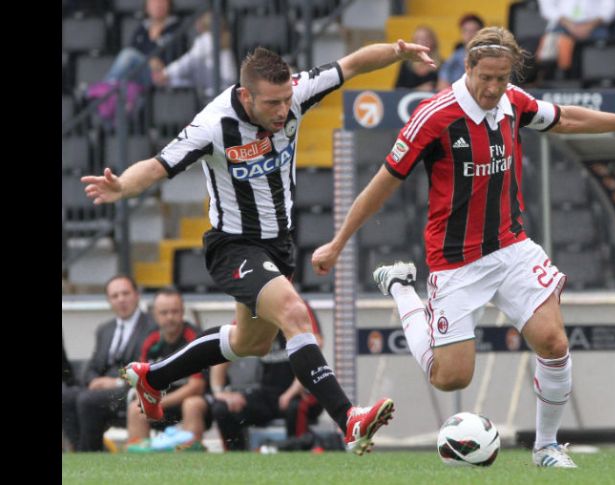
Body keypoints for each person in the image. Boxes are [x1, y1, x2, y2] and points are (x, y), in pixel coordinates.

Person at [311, 26, 615, 468]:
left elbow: (565, 118)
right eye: (486, 77)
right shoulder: (434, 117)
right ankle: (400, 286)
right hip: (456, 262)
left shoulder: (514, 100)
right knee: (450, 378)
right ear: (468, 68)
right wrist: (338, 243)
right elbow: (382, 184)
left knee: (552, 341)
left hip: (512, 247)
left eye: (502, 78)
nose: (493, 88)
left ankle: (546, 447)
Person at [81, 40, 437, 456]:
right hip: (233, 246)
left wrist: (398, 53)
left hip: (278, 246)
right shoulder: (213, 124)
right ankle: (349, 419)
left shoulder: (296, 92)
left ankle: (153, 378)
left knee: (248, 343)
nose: (283, 111)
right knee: (294, 314)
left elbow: (352, 64)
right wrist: (122, 185)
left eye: (287, 100)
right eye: (272, 103)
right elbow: (160, 164)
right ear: (246, 95)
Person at [207, 301, 325, 451]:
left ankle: (298, 455)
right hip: (268, 393)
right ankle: (236, 462)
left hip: (302, 390)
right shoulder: (254, 309)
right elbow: (226, 347)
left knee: (295, 407)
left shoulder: (296, 305)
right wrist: (219, 392)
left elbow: (315, 348)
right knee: (222, 409)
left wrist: (291, 392)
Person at [61, 275, 156, 451]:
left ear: (136, 295)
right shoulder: (105, 329)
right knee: (66, 397)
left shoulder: (151, 326)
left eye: (125, 293)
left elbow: (146, 366)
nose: (121, 300)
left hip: (130, 389)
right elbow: (93, 366)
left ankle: (89, 456)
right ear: (109, 301)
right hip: (101, 390)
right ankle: (84, 450)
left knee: (86, 400)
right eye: (115, 296)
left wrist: (116, 382)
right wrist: (93, 382)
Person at [125, 287, 210, 452]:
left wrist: (158, 403)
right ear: (155, 315)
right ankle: (139, 464)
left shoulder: (194, 338)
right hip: (159, 400)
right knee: (135, 408)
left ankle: (190, 460)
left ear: (183, 311)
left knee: (192, 405)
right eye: (164, 313)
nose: (170, 317)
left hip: (194, 400)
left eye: (175, 311)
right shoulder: (149, 340)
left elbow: (196, 387)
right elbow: (141, 382)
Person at [150, 11, 238, 101]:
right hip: (224, 87)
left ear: (202, 23)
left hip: (220, 86)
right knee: (186, 73)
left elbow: (188, 60)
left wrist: (165, 73)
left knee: (191, 66)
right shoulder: (215, 38)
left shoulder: (207, 38)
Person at [436, 14, 484, 91]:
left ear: (482, 33)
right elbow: (442, 84)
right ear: (461, 34)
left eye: (474, 31)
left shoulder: (491, 57)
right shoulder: (454, 58)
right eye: (466, 31)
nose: (470, 35)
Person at [395, 26, 442, 92]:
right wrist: (418, 89)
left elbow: (445, 89)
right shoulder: (406, 64)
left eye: (425, 39)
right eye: (418, 39)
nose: (422, 42)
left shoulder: (443, 65)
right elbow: (397, 90)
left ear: (433, 41)